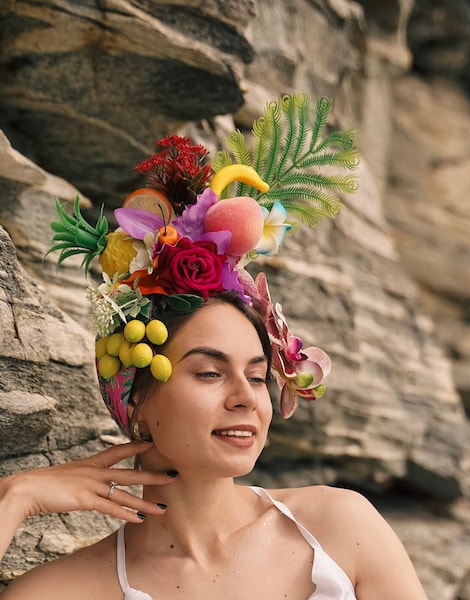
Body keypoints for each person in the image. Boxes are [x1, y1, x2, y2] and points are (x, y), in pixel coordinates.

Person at [0, 95, 429, 599]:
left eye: (256, 375)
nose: (246, 398)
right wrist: (15, 497)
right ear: (135, 401)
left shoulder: (339, 528)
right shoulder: (68, 590)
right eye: (209, 372)